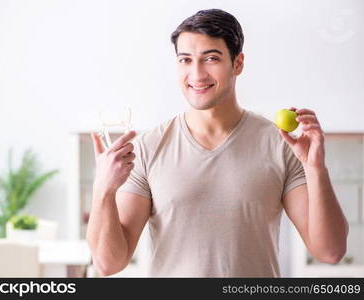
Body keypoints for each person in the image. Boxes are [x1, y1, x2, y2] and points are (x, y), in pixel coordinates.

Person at [86, 9, 348, 277]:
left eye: (210, 58)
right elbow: (109, 263)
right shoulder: (148, 147)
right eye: (185, 60)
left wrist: (315, 167)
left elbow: (330, 251)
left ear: (238, 64)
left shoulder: (280, 144)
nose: (197, 74)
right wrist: (103, 189)